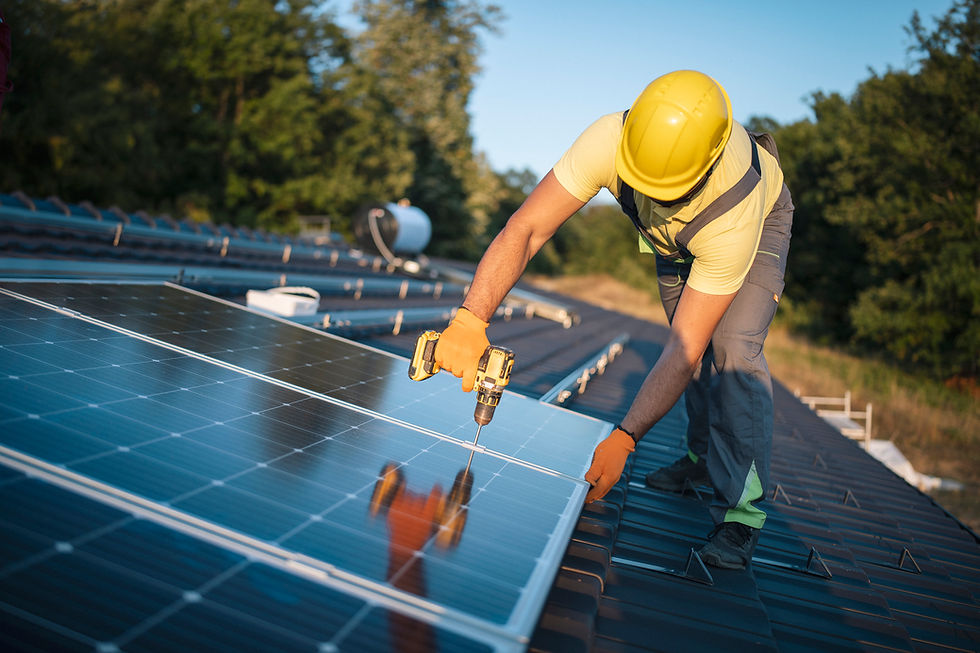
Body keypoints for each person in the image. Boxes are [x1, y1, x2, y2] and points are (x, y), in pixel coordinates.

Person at [434, 70, 793, 570]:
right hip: (671, 237)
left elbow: (685, 349)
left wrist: (625, 437)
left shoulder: (732, 215)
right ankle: (699, 460)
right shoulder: (608, 139)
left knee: (729, 348)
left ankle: (743, 514)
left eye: (662, 189)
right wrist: (471, 318)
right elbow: (529, 227)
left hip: (750, 223)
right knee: (688, 346)